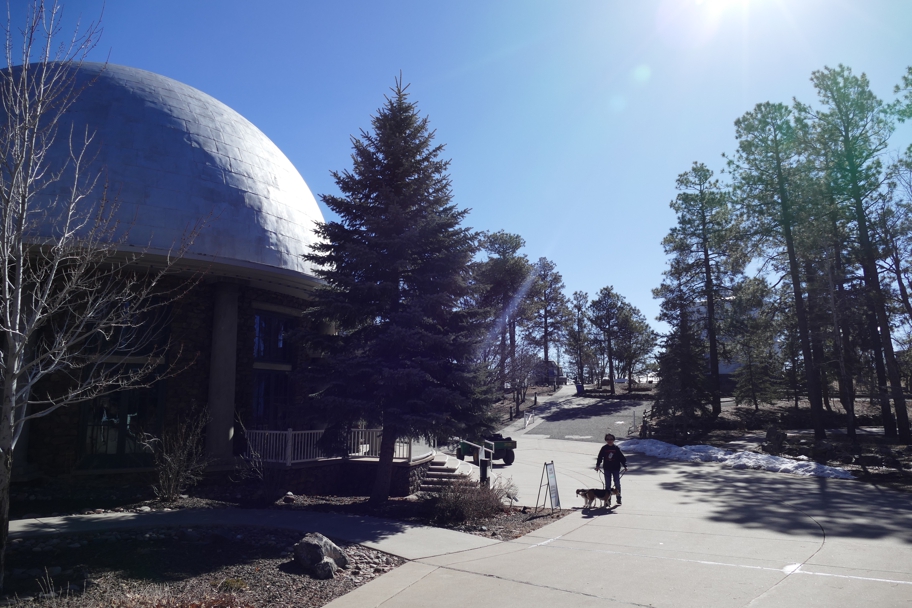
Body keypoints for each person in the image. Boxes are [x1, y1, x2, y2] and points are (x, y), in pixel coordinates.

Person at [595, 433, 627, 504]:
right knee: (608, 484)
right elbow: (600, 457)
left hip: (616, 468)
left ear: (613, 440)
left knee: (617, 483)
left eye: (611, 439)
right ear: (606, 440)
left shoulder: (616, 448)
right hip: (607, 468)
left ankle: (618, 497)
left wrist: (625, 466)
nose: (609, 440)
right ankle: (608, 499)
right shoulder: (604, 448)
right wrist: (598, 465)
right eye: (607, 439)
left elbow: (622, 458)